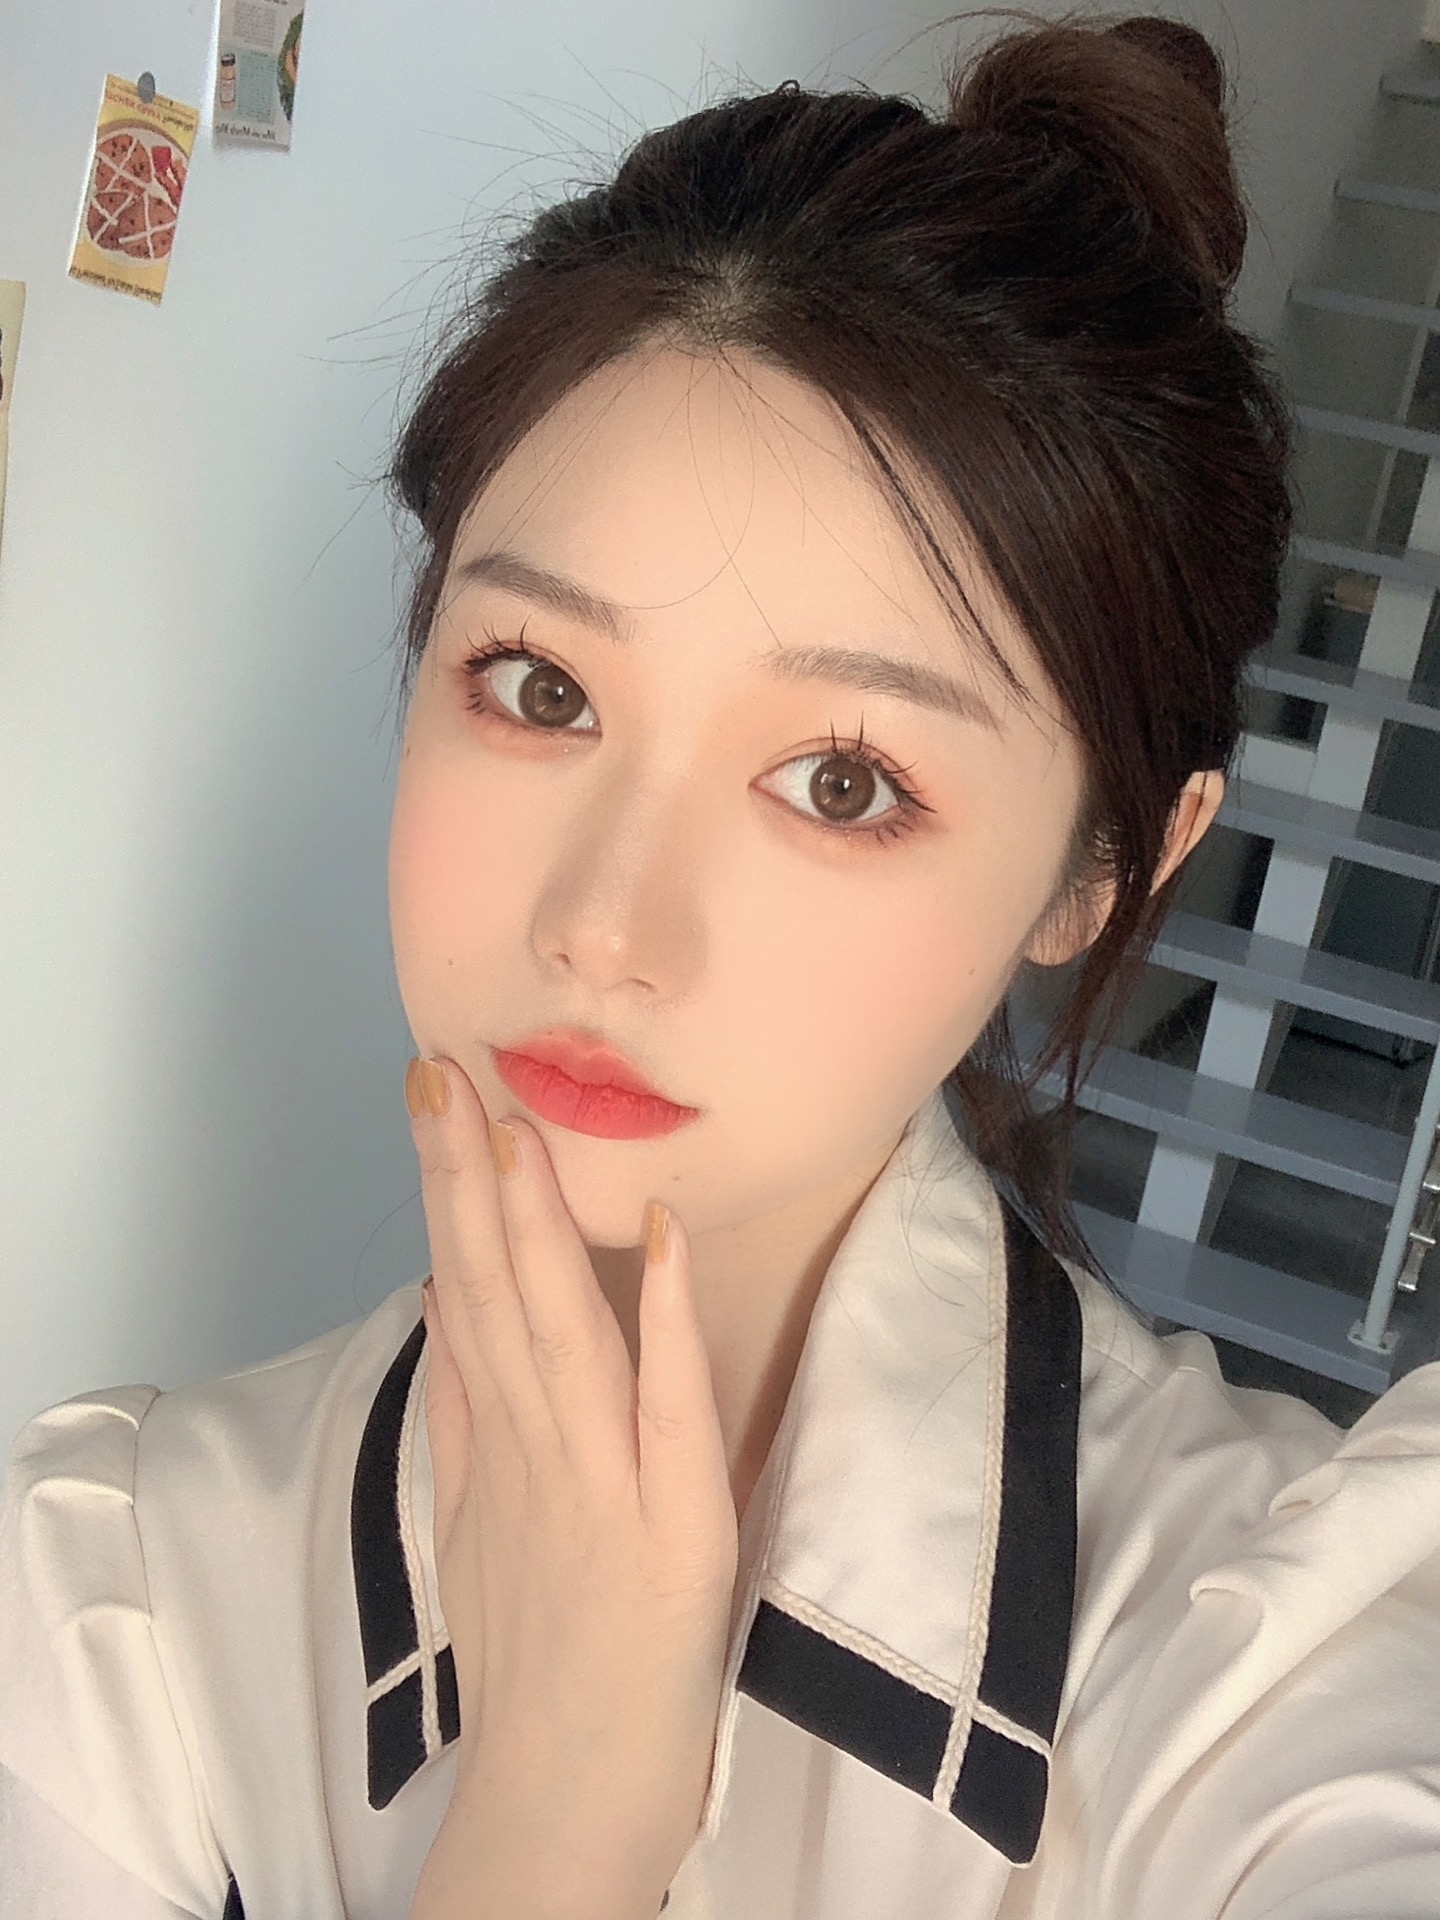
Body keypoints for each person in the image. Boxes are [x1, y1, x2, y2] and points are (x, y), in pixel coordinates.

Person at [4, 10, 1440, 1918]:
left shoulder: (1278, 1674)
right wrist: (561, 1804)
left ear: (1111, 866)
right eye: (540, 687)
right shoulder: (111, 1594)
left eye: (843, 782)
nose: (606, 924)